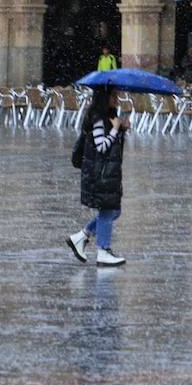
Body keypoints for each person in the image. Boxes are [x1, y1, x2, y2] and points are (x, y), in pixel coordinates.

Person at [66, 85, 128, 267]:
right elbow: (101, 146)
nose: (117, 99)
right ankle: (103, 250)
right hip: (99, 174)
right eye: (113, 96)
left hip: (105, 173)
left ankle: (81, 236)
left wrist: (121, 129)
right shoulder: (98, 117)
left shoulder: (107, 116)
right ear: (104, 98)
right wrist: (116, 129)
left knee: (113, 211)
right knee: (108, 211)